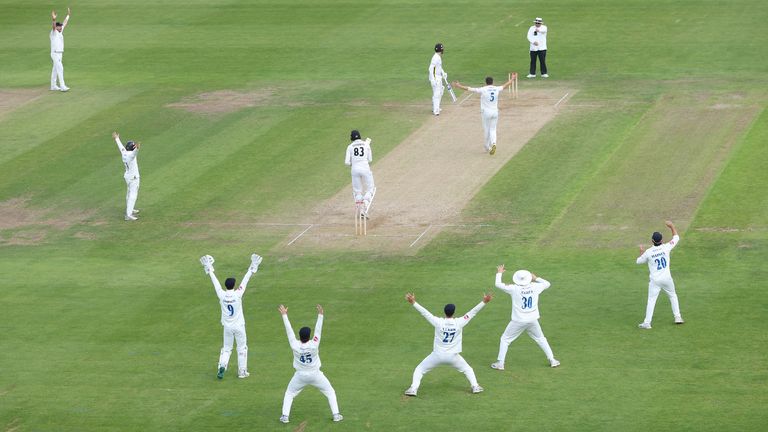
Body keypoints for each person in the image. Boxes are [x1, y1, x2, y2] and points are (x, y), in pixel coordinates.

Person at [404, 292, 492, 397]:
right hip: (453, 356)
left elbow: (425, 313)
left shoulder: (438, 322)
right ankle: (475, 386)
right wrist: (484, 302)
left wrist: (413, 302)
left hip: (437, 355)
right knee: (468, 369)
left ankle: (413, 389)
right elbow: (473, 312)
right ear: (453, 312)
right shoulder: (460, 322)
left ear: (444, 312)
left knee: (419, 369)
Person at [199, 253, 262, 379]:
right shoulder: (238, 294)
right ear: (233, 285)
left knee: (227, 348)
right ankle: (242, 372)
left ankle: (222, 366)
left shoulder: (221, 294)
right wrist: (252, 267)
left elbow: (215, 283)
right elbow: (245, 280)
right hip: (239, 326)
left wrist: (209, 269)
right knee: (242, 348)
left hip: (227, 327)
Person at [278, 304, 343, 424]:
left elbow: (289, 331)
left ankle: (285, 416)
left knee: (289, 393)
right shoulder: (314, 344)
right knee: (330, 392)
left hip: (300, 376)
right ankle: (336, 415)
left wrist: (284, 315)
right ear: (309, 337)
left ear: (300, 336)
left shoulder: (295, 345)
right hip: (315, 375)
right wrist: (320, 315)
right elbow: (318, 331)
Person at [492, 265, 560, 370]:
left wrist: (499, 272)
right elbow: (547, 283)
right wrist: (536, 278)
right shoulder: (535, 286)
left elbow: (498, 284)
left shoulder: (514, 288)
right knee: (541, 339)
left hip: (518, 321)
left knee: (505, 339)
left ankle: (500, 363)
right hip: (533, 320)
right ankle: (552, 360)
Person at [636, 221, 684, 329]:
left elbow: (639, 261)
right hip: (667, 278)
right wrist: (672, 226)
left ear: (652, 241)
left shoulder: (648, 252)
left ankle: (647, 323)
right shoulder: (666, 247)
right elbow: (676, 238)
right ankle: (678, 317)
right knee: (672, 295)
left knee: (651, 300)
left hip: (655, 281)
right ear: (661, 240)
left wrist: (641, 252)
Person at [453, 76, 517, 155]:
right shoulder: (496, 88)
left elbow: (469, 88)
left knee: (487, 129)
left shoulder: (483, 89)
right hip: (495, 112)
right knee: (493, 129)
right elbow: (505, 85)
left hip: (486, 113)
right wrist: (512, 79)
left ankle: (487, 147)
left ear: (486, 82)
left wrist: (459, 86)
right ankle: (493, 143)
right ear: (492, 82)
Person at [344, 129, 376, 217]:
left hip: (354, 169)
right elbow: (370, 160)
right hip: (365, 168)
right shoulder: (366, 145)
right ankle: (365, 205)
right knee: (370, 189)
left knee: (357, 192)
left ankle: (360, 208)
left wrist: (354, 163)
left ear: (351, 138)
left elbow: (347, 162)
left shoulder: (350, 147)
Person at [112, 132, 142, 221]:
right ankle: (128, 215)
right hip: (133, 178)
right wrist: (137, 149)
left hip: (128, 176)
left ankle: (130, 209)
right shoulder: (131, 155)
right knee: (133, 195)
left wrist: (117, 138)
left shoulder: (124, 153)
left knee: (129, 193)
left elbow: (121, 147)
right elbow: (134, 153)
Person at [50, 8, 71, 91]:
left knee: (55, 69)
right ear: (57, 27)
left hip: (60, 53)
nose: (61, 27)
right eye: (59, 26)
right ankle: (62, 86)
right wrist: (54, 19)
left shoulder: (60, 31)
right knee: (60, 68)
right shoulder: (53, 32)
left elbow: (65, 23)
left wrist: (68, 15)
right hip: (55, 53)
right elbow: (53, 26)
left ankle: (53, 85)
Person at [428, 43, 448, 116]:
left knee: (440, 91)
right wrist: (433, 80)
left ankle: (436, 107)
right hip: (436, 78)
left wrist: (443, 73)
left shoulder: (438, 57)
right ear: (441, 50)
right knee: (436, 94)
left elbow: (438, 67)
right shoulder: (436, 57)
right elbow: (431, 69)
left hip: (438, 77)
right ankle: (436, 110)